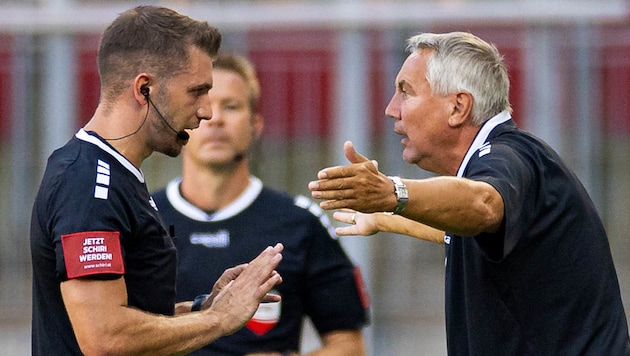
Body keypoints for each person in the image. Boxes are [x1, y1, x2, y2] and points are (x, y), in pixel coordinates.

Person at [308, 31, 630, 354]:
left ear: (458, 107)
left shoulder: (507, 157)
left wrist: (394, 193)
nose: (392, 109)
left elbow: (483, 204)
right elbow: (469, 222)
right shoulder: (503, 162)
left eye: (406, 92)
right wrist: (390, 215)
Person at [30, 6, 284, 355]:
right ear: (144, 88)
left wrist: (203, 309)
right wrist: (219, 320)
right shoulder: (89, 183)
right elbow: (105, 339)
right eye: (197, 91)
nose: (207, 111)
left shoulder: (113, 174)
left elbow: (129, 316)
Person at [152, 53, 369, 356]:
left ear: (256, 124)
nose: (216, 119)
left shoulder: (299, 223)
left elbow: (349, 346)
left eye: (231, 106)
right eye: (202, 108)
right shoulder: (143, 217)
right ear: (178, 124)